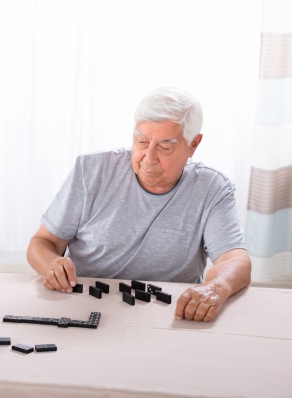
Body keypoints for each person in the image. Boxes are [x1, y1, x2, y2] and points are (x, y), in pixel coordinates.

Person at [27, 86, 251, 323]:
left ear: (193, 145)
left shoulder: (213, 187)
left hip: (170, 315)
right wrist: (51, 264)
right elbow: (42, 242)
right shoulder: (91, 171)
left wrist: (216, 287)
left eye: (165, 147)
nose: (148, 157)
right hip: (85, 309)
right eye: (141, 141)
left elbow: (234, 260)